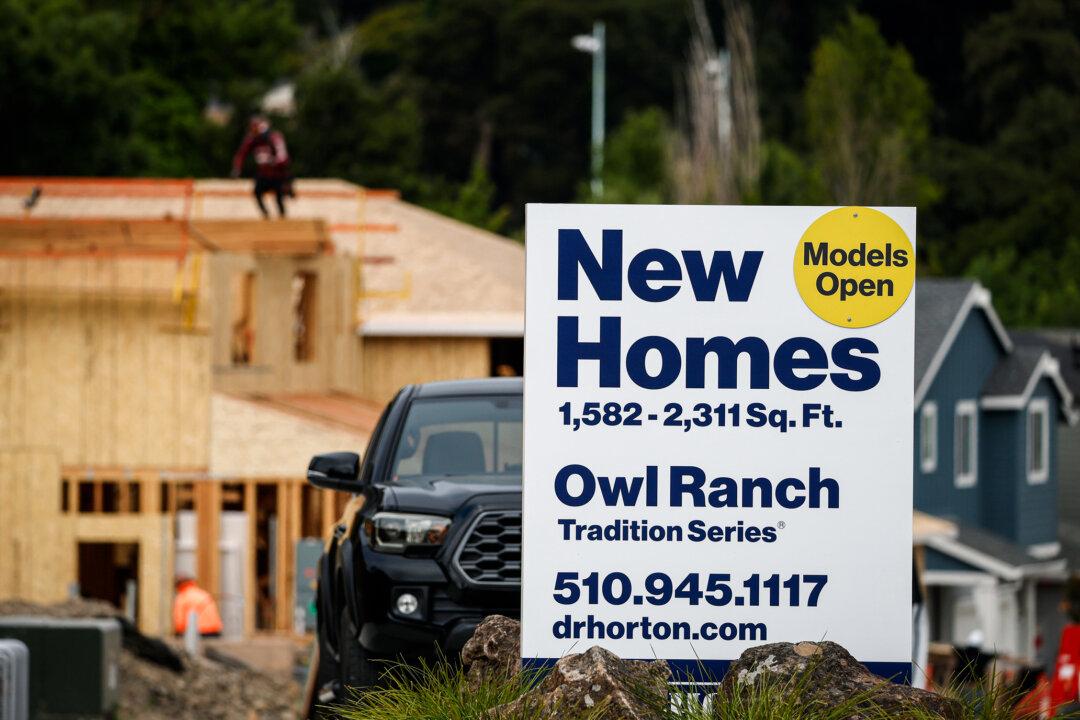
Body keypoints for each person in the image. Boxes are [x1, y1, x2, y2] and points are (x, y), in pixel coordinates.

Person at [231, 115, 293, 219]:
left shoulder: (274, 137)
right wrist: (237, 168)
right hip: (264, 173)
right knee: (257, 192)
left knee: (279, 197)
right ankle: (266, 215)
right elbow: (241, 154)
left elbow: (283, 156)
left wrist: (273, 162)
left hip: (277, 174)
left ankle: (283, 219)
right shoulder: (252, 139)